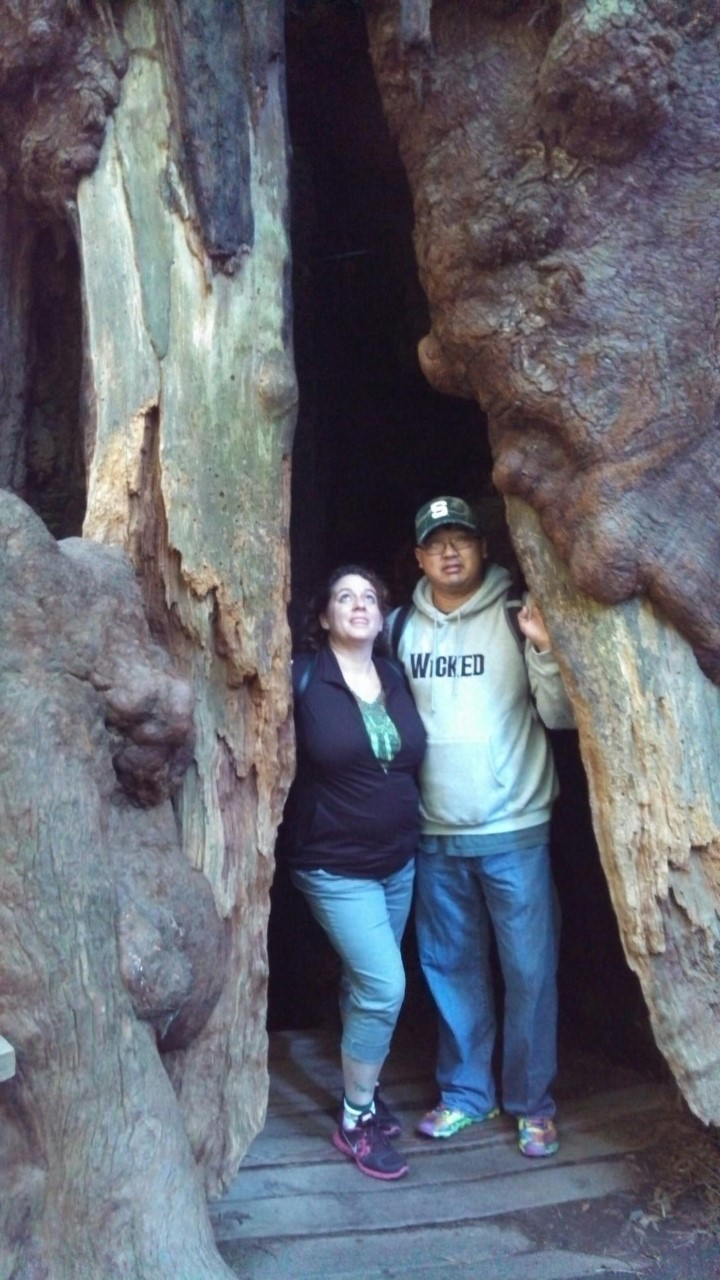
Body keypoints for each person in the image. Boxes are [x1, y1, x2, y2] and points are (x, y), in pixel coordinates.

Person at [392, 496, 574, 1158]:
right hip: (435, 833)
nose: (449, 552)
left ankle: (532, 1102)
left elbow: (557, 716)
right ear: (418, 556)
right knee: (450, 968)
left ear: (482, 548)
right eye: (435, 542)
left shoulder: (511, 614)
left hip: (514, 829)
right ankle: (468, 1093)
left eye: (460, 539)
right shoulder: (399, 631)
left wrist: (547, 650)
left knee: (529, 971)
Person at [282, 565, 427, 1180]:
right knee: (384, 986)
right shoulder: (304, 679)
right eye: (345, 597)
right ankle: (356, 1118)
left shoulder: (393, 677)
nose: (359, 605)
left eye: (370, 596)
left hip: (397, 861)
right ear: (324, 616)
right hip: (333, 864)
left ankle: (357, 1089)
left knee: (364, 981)